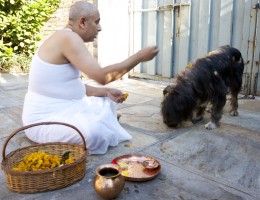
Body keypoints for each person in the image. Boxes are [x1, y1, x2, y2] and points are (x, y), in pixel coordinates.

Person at [22, 1, 159, 155]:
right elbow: (102, 76)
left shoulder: (67, 37)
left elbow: (70, 85)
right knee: (94, 132)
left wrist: (106, 92)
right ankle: (101, 122)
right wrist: (140, 56)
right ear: (82, 22)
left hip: (66, 106)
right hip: (43, 121)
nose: (99, 28)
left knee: (105, 101)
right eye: (97, 22)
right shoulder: (68, 39)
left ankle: (102, 118)